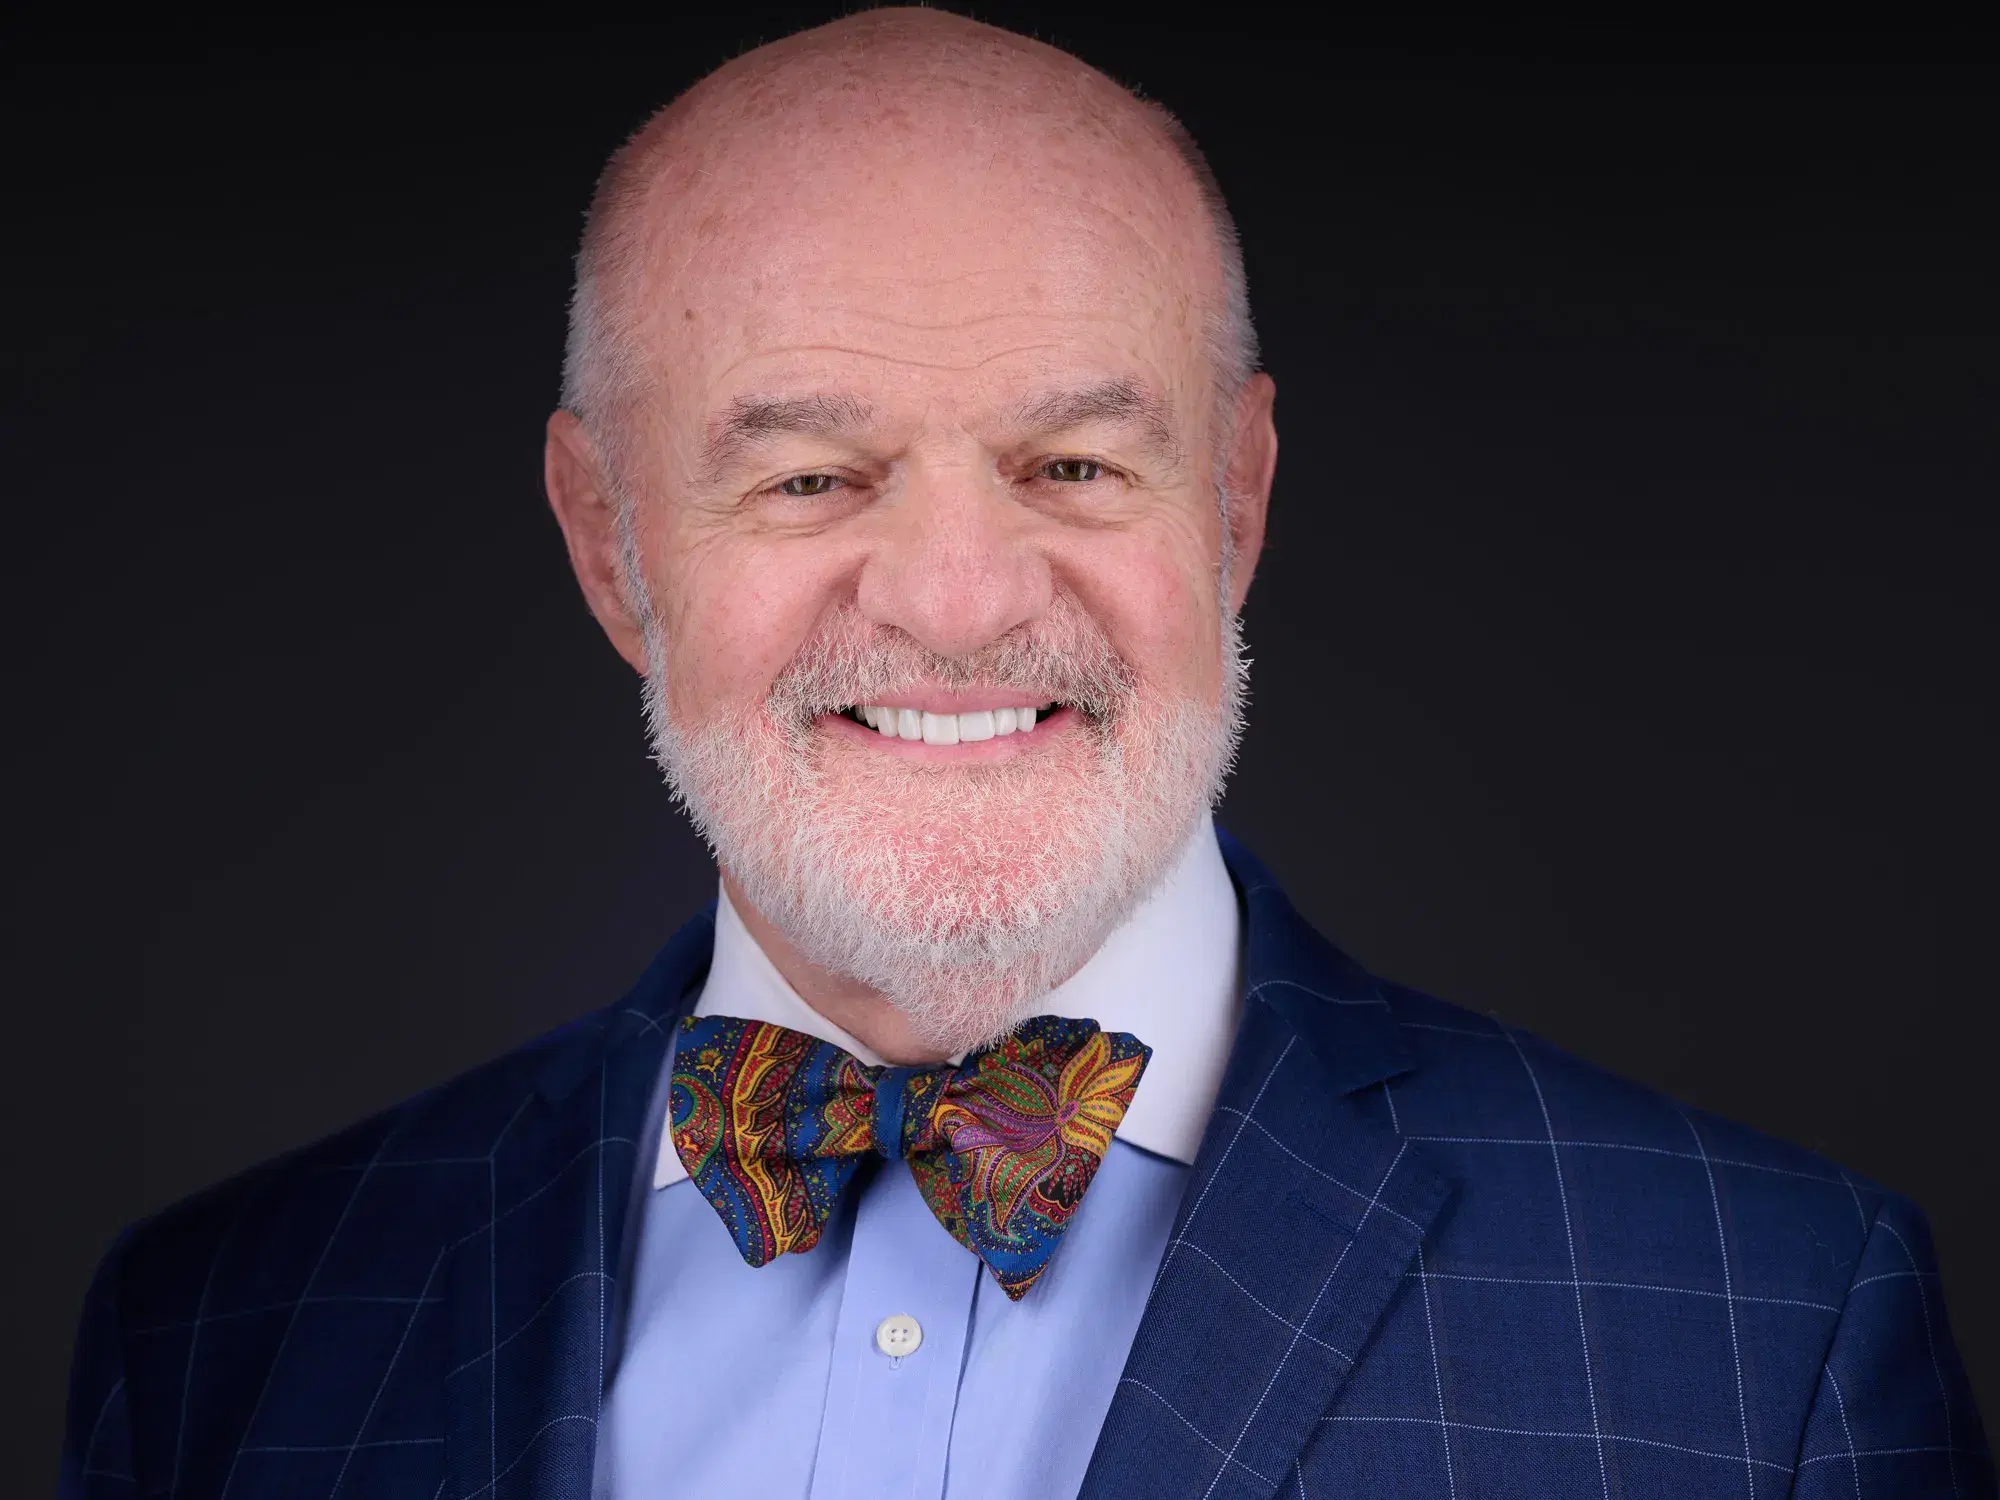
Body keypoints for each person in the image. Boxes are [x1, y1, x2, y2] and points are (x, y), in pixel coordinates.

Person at [60, 10, 1990, 1500]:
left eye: (1075, 463)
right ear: (610, 545)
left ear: (1231, 505)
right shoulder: (225, 1334)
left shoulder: (1766, 1337)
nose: (966, 601)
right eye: (813, 476)